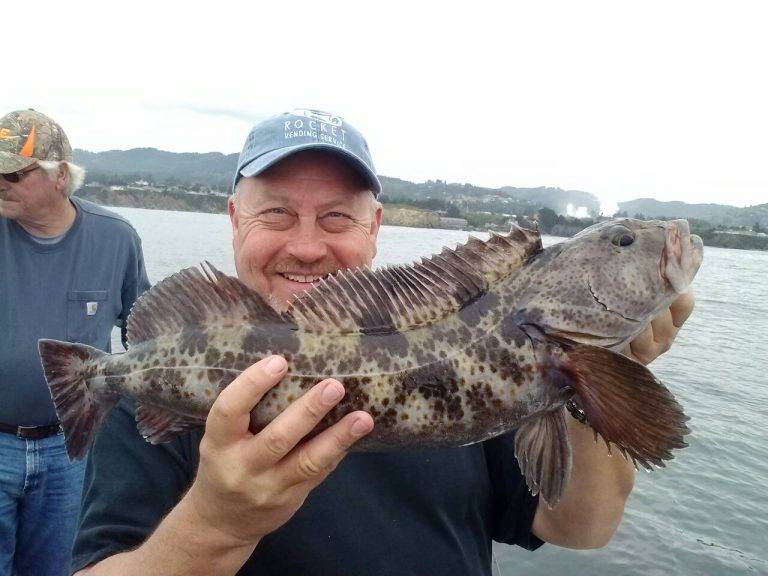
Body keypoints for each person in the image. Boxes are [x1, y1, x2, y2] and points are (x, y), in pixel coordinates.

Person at [72, 109, 695, 576]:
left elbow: (581, 527)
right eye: (277, 214)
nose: (308, 245)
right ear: (235, 221)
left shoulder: (494, 348)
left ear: (376, 227)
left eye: (337, 216)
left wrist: (600, 377)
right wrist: (213, 524)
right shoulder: (163, 389)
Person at [0, 109, 151, 576]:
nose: (0, 181)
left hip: (74, 449)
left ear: (60, 175)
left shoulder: (116, 239)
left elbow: (144, 333)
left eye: (13, 172)